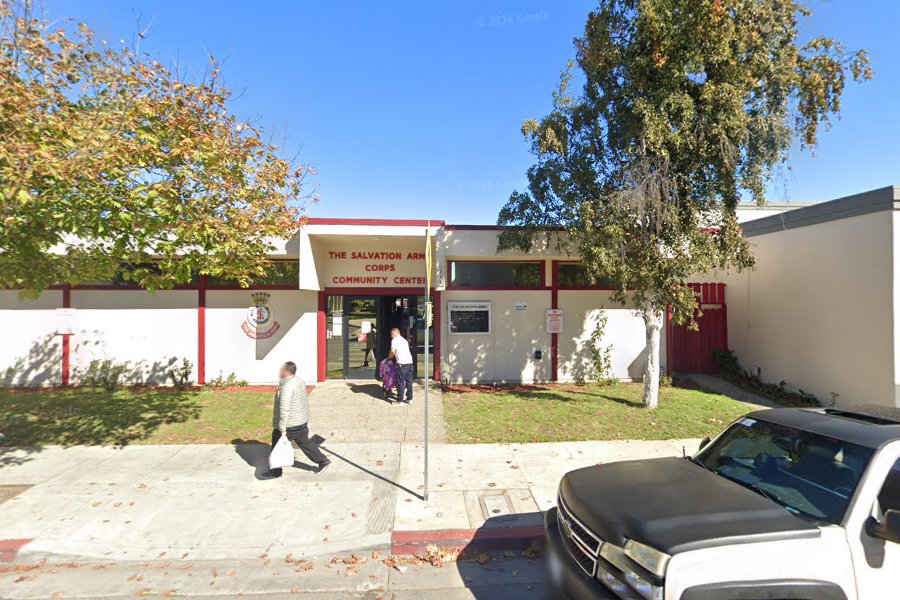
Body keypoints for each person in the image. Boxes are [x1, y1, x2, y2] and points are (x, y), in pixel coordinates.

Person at [262, 361, 330, 479]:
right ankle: (323, 461)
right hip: (300, 421)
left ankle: (275, 472)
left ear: (287, 371)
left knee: (276, 445)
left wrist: (282, 428)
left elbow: (284, 409)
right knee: (305, 442)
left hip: (290, 425)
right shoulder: (298, 380)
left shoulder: (287, 387)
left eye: (281, 370)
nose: (279, 372)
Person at [389, 327, 414, 404]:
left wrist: (389, 357)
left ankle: (400, 401)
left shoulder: (395, 340)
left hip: (402, 363)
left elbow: (393, 352)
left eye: (392, 334)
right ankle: (409, 399)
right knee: (409, 382)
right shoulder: (404, 340)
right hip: (409, 362)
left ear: (395, 333)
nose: (391, 336)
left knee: (400, 382)